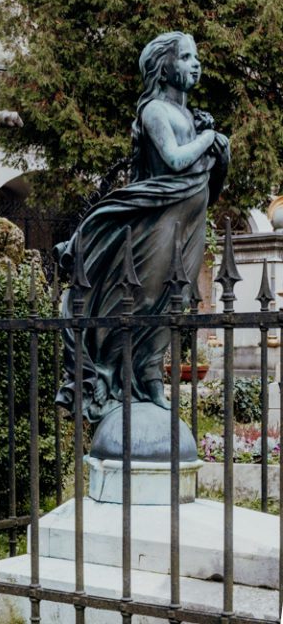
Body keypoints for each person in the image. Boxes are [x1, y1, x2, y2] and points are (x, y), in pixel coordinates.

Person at [55, 32, 229, 423]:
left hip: (191, 219)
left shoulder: (190, 115)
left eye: (195, 57)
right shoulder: (154, 111)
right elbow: (174, 159)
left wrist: (219, 151)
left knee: (176, 298)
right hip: (160, 220)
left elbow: (208, 177)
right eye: (186, 57)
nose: (195, 64)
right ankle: (111, 378)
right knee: (143, 298)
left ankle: (151, 376)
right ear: (164, 67)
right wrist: (209, 139)